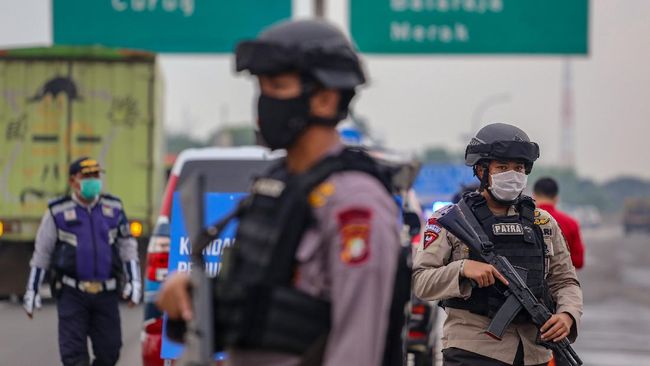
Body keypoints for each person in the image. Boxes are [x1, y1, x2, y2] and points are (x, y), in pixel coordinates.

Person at [156, 19, 407, 366]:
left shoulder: (354, 203)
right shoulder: (276, 184)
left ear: (324, 99)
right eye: (261, 87)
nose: (264, 102)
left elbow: (356, 346)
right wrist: (195, 294)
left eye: (277, 86)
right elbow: (266, 299)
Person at [412, 123, 583, 366]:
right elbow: (421, 281)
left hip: (535, 353)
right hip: (473, 350)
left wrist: (567, 315)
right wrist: (461, 269)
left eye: (519, 168)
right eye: (502, 167)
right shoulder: (450, 221)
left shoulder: (542, 223)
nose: (512, 175)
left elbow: (565, 281)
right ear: (482, 171)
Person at [23, 157, 141, 366]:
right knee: (73, 356)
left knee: (110, 353)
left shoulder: (114, 208)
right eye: (86, 176)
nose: (93, 181)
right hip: (72, 294)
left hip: (106, 294)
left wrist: (135, 282)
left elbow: (127, 247)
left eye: (96, 175)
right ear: (72, 182)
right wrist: (32, 291)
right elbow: (42, 252)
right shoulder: (57, 212)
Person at [533, 177, 585, 269]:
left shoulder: (523, 219)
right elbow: (578, 261)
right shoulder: (571, 223)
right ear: (556, 198)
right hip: (561, 280)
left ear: (534, 196)